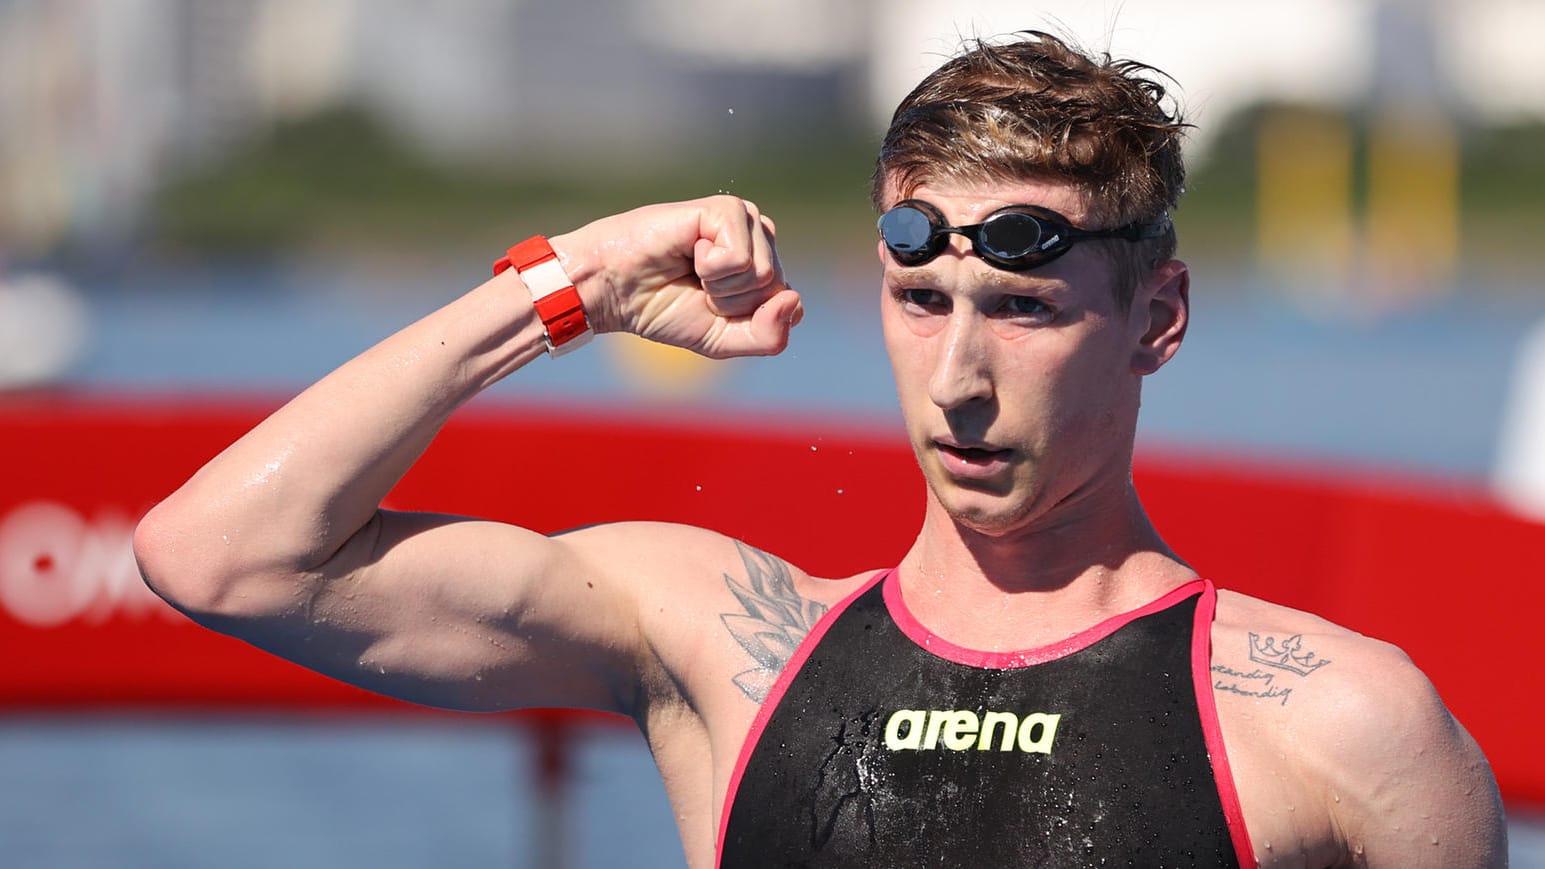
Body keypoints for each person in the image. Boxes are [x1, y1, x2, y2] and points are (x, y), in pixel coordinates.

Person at [134, 31, 1506, 868]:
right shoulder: (729, 647)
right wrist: (578, 281)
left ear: (1157, 317)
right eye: (921, 303)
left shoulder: (1337, 722)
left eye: (1022, 309)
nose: (957, 380)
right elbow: (219, 556)